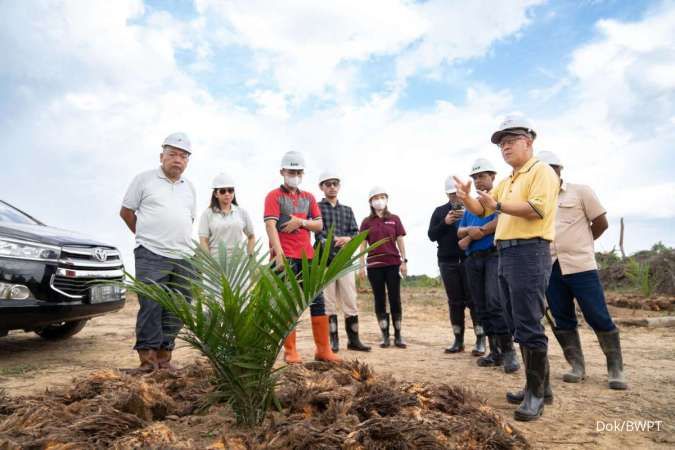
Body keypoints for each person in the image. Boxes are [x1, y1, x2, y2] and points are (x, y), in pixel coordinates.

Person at [454, 116, 560, 422]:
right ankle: (539, 386)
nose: (505, 148)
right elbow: (483, 208)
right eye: (501, 144)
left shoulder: (540, 171)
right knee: (516, 321)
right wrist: (466, 198)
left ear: (529, 141)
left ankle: (536, 395)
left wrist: (498, 206)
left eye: (510, 141)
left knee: (528, 322)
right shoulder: (509, 179)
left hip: (529, 251)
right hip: (507, 253)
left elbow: (535, 209)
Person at [538, 150, 627, 390]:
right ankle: (576, 366)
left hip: (581, 265)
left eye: (552, 169)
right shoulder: (537, 200)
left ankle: (615, 368)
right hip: (551, 267)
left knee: (597, 315)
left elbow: (601, 223)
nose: (548, 174)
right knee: (561, 316)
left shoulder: (581, 191)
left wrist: (583, 244)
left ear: (560, 170)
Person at [120, 132, 196, 372]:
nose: (178, 159)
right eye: (172, 154)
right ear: (161, 156)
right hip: (151, 253)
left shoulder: (189, 188)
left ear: (187, 161)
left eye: (183, 156)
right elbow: (126, 212)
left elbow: (188, 219)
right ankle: (148, 361)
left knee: (178, 307)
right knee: (151, 304)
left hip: (183, 256)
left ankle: (165, 359)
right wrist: (146, 237)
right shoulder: (144, 180)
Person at [263, 151, 340, 364]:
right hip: (284, 257)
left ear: (302, 173)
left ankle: (323, 350)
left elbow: (319, 224)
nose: (294, 175)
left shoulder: (309, 197)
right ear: (282, 172)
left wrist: (300, 222)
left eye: (298, 172)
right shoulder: (273, 196)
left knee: (317, 303)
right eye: (291, 171)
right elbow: (270, 225)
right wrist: (278, 254)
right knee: (287, 305)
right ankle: (290, 351)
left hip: (308, 258)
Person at [458, 158, 520, 373]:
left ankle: (509, 351)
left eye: (482, 176)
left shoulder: (501, 197)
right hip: (473, 258)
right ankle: (494, 352)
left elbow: (501, 219)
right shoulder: (471, 206)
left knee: (495, 302)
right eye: (474, 177)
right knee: (481, 305)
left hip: (494, 255)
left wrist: (481, 231)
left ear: (493, 176)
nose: (478, 180)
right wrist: (470, 233)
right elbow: (460, 231)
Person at [428, 176, 485, 356]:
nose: (455, 198)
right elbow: (431, 235)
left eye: (457, 194)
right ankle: (458, 340)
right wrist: (445, 223)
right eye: (452, 194)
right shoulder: (439, 211)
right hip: (447, 261)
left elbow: (482, 229)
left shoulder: (473, 208)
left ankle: (480, 340)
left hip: (469, 260)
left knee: (474, 300)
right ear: (447, 194)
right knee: (454, 302)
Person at [316, 171, 371, 353]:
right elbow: (318, 233)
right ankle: (333, 341)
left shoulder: (347, 210)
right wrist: (332, 240)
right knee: (329, 302)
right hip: (325, 261)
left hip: (345, 260)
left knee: (350, 300)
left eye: (335, 183)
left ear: (339, 186)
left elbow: (356, 232)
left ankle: (353, 340)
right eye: (328, 184)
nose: (332, 187)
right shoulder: (317, 208)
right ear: (321, 187)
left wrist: (348, 239)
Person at [359, 186, 408, 349]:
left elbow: (400, 239)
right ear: (371, 202)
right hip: (374, 264)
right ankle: (385, 335)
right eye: (375, 198)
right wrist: (361, 266)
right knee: (379, 299)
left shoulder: (394, 219)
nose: (379, 200)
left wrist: (404, 261)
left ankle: (398, 335)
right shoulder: (367, 222)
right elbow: (362, 244)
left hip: (393, 263)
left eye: (382, 197)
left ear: (386, 199)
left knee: (395, 298)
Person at [198, 172, 255, 258]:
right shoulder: (207, 214)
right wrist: (210, 262)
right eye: (222, 191)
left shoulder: (242, 212)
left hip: (238, 263)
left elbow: (251, 236)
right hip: (216, 263)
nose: (227, 194)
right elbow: (203, 240)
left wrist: (251, 257)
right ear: (216, 194)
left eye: (230, 190)